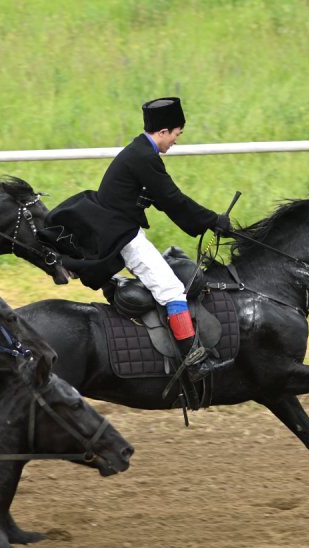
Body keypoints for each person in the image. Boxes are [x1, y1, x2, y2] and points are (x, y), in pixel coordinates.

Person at [48, 97, 233, 381]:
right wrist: (213, 220)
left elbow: (161, 199)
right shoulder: (145, 158)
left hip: (117, 228)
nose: (175, 141)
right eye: (176, 135)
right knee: (171, 290)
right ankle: (194, 362)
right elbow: (173, 199)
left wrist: (206, 221)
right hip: (123, 234)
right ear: (162, 132)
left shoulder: (138, 151)